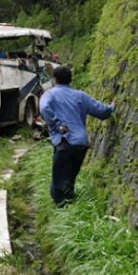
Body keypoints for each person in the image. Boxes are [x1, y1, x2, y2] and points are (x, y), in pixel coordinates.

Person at [40, 65, 115, 207]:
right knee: (68, 180)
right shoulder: (80, 95)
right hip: (81, 144)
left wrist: (57, 124)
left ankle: (64, 214)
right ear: (70, 79)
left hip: (65, 142)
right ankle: (70, 208)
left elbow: (44, 108)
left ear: (55, 79)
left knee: (59, 186)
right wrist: (112, 107)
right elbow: (102, 112)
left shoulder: (49, 95)